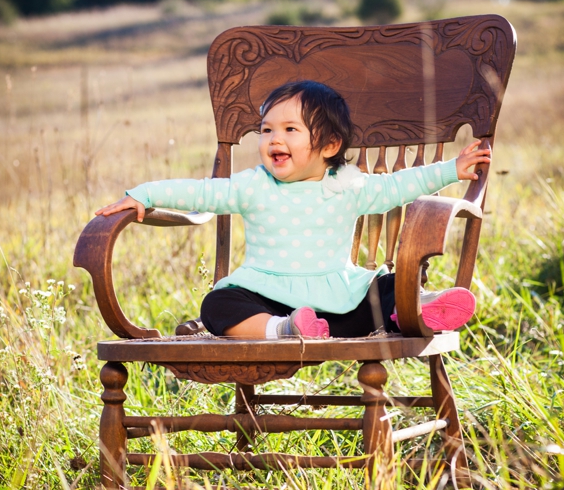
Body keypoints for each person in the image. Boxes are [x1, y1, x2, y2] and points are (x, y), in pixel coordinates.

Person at [95, 80, 490, 339]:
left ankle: (416, 307)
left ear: (330, 145)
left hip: (341, 303)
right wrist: (144, 195)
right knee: (218, 305)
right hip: (269, 299)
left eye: (289, 129)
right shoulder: (254, 186)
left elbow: (397, 187)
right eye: (266, 130)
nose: (273, 139)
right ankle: (283, 330)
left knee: (385, 288)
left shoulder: (347, 186)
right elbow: (201, 193)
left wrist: (450, 170)